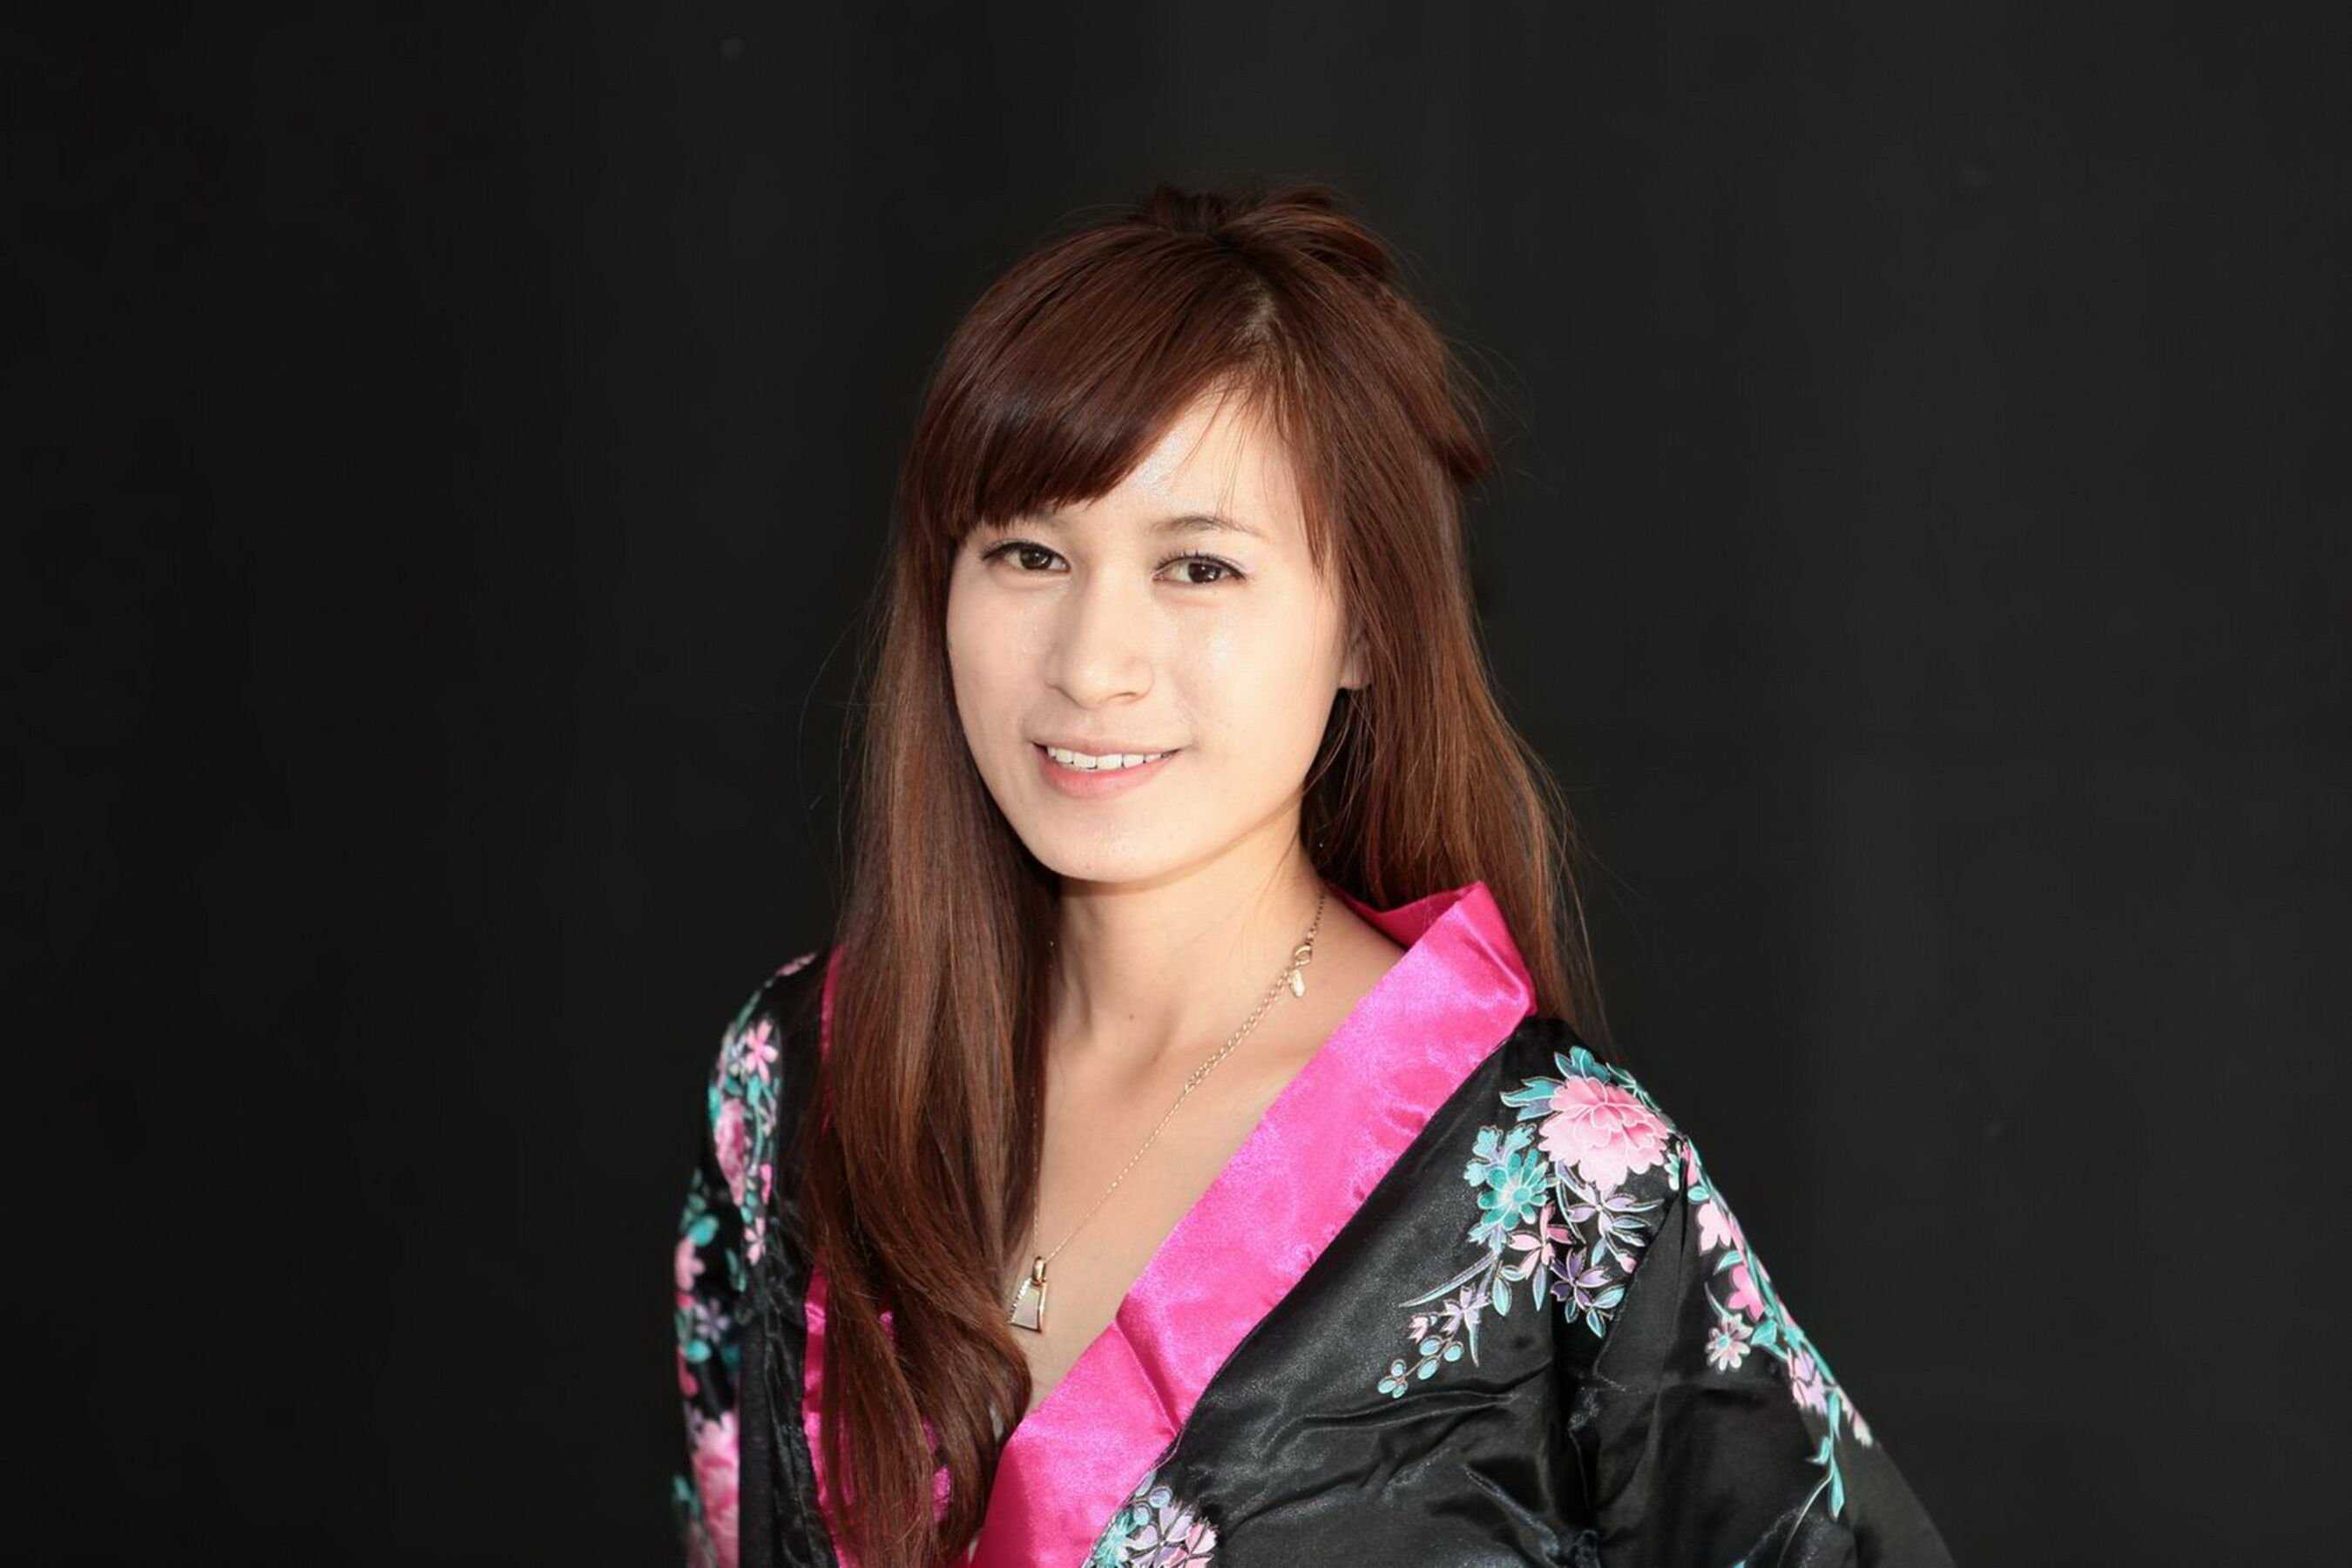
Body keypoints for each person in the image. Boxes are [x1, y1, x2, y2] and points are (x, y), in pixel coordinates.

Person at [669, 182, 1953, 1568]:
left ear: (1362, 629)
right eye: (1029, 554)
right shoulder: (796, 1079)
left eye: (1199, 568)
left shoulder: (1555, 1180)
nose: (1092, 663)